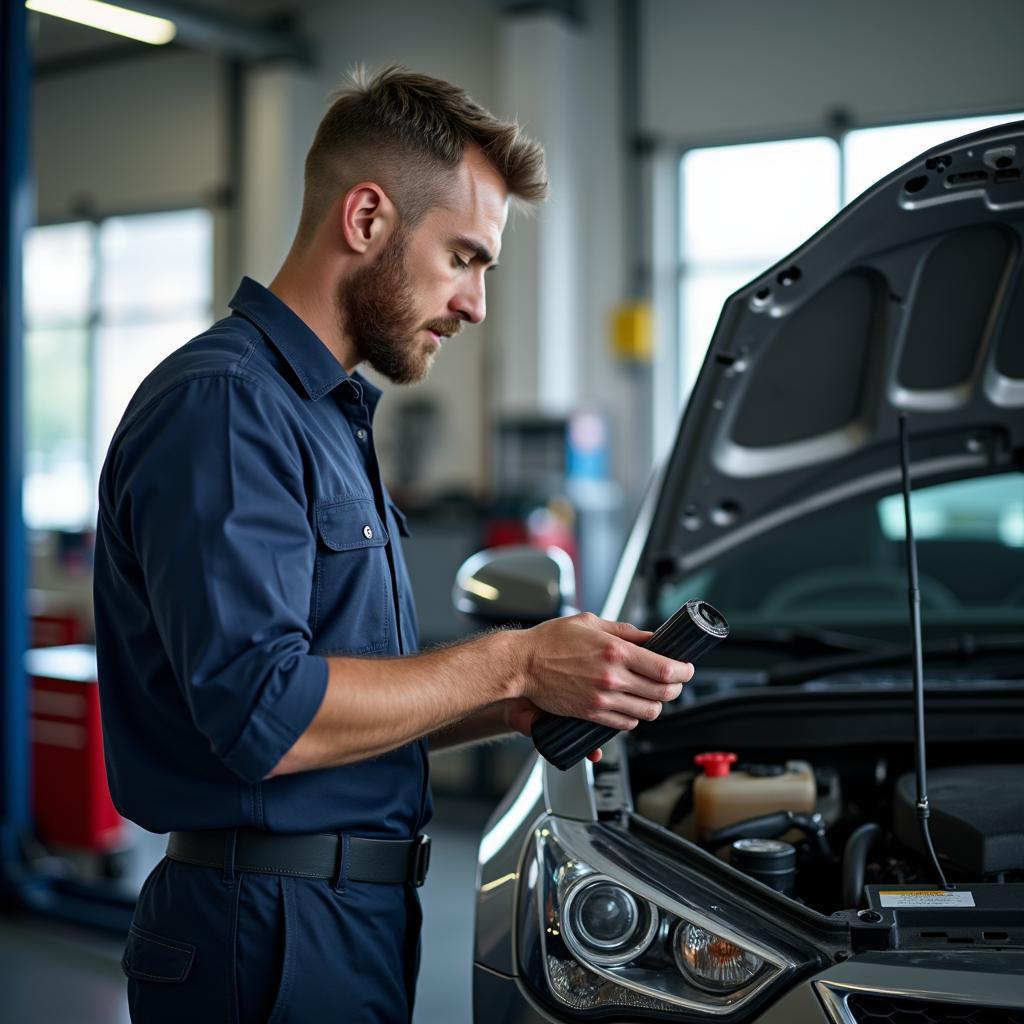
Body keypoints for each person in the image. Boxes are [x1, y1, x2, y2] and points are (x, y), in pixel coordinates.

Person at [93, 66, 693, 1023]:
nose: (476, 303)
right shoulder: (227, 408)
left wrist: (521, 701)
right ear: (367, 219)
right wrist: (515, 659)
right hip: (267, 930)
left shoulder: (324, 418)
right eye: (464, 257)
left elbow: (343, 699)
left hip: (345, 917)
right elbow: (267, 715)